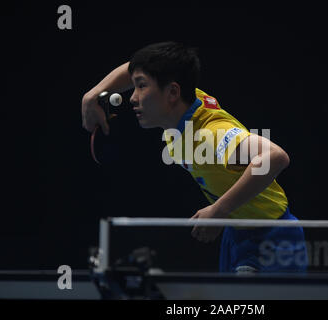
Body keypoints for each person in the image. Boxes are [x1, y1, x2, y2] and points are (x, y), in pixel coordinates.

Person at [82, 41, 307, 273]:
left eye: (141, 87)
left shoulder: (212, 134)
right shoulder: (182, 107)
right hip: (237, 230)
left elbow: (275, 156)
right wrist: (92, 96)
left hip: (272, 238)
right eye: (135, 86)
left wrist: (219, 210)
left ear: (172, 93)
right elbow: (136, 67)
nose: (132, 97)